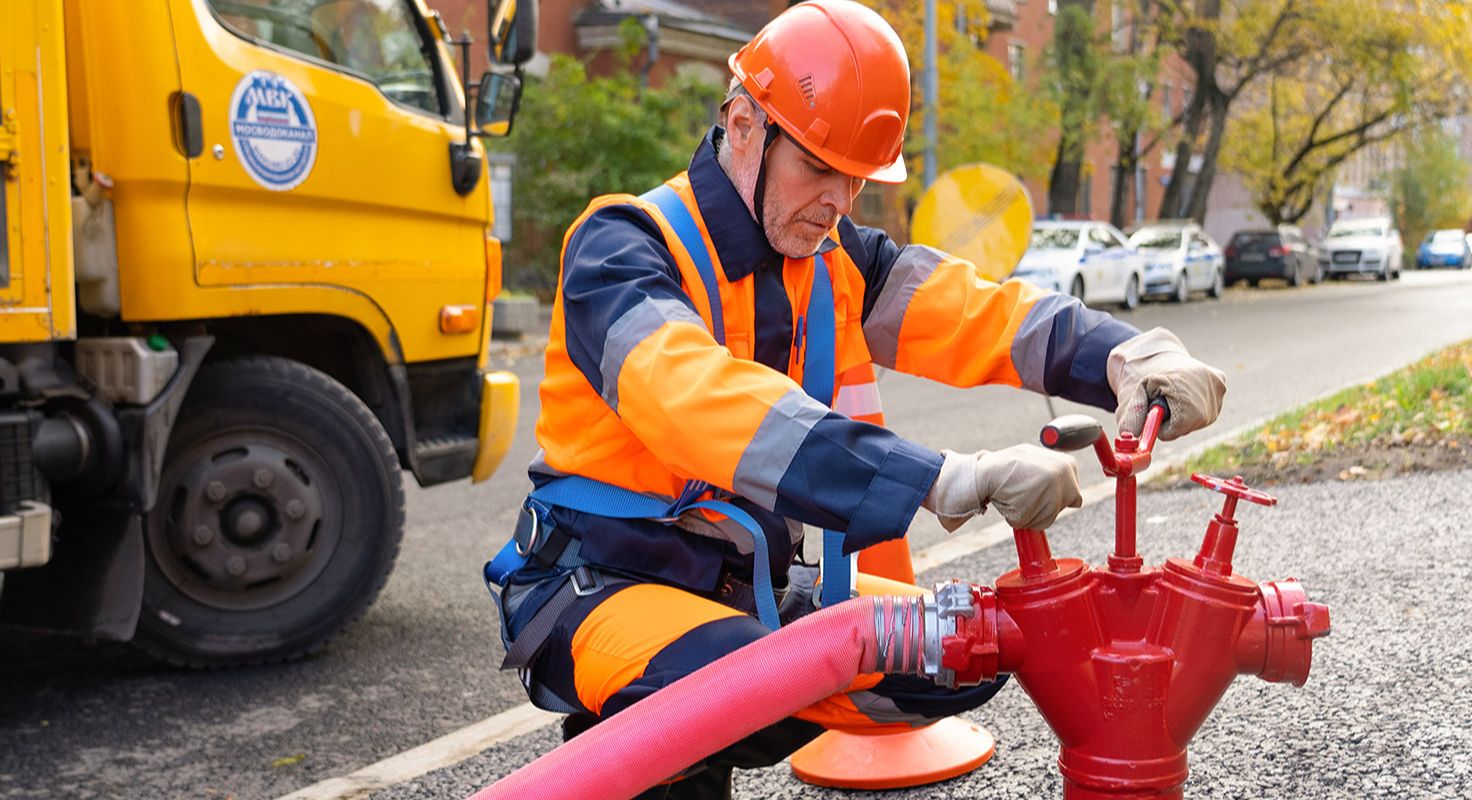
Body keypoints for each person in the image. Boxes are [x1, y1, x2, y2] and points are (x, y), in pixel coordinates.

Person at [489, 1, 1226, 797]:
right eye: (818, 167)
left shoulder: (829, 256)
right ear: (744, 124)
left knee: (968, 654)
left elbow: (975, 311)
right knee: (728, 688)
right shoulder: (620, 249)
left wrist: (1122, 353)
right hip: (600, 585)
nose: (840, 199)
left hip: (743, 589)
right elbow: (695, 400)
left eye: (857, 179)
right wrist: (941, 477)